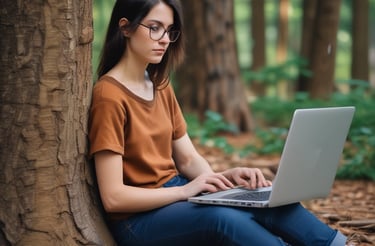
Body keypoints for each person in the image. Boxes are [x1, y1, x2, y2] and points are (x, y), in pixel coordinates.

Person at [88, 0, 348, 245]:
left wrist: (220, 181)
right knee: (224, 219)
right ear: (125, 28)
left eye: (169, 30)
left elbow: (188, 159)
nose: (165, 40)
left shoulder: (159, 84)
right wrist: (186, 191)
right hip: (137, 220)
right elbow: (114, 198)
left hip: (177, 197)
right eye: (154, 29)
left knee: (267, 202)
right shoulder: (109, 95)